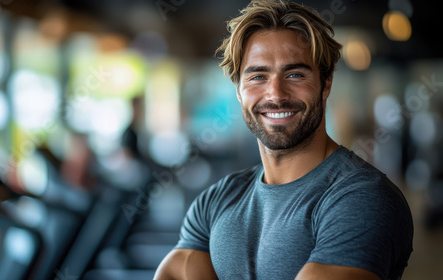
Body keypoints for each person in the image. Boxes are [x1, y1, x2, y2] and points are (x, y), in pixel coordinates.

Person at [154, 0, 414, 279]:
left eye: (294, 74)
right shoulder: (216, 201)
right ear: (239, 90)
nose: (275, 94)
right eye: (258, 76)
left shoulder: (361, 198)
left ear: (326, 84)